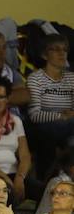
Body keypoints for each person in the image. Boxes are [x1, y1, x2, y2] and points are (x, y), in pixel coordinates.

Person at [27, 34, 74, 178]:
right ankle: (46, 179)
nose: (62, 53)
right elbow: (34, 115)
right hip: (44, 126)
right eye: (56, 49)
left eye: (64, 50)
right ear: (44, 55)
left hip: (69, 125)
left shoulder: (72, 78)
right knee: (48, 134)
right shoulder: (36, 79)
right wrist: (61, 115)